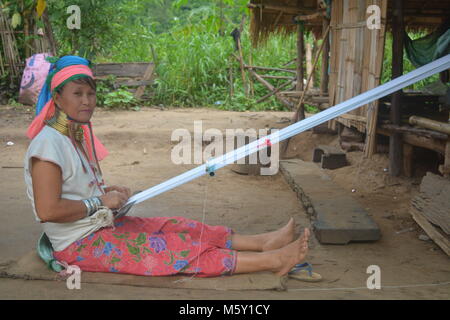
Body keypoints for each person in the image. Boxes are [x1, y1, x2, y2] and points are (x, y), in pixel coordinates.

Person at [24, 56, 310, 278]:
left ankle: (262, 242)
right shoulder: (49, 146)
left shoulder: (74, 136)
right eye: (77, 94)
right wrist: (100, 201)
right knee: (174, 251)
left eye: (91, 93)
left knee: (179, 227)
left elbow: (74, 190)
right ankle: (274, 260)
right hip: (79, 245)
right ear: (57, 98)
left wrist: (107, 194)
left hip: (100, 227)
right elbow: (47, 211)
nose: (87, 101)